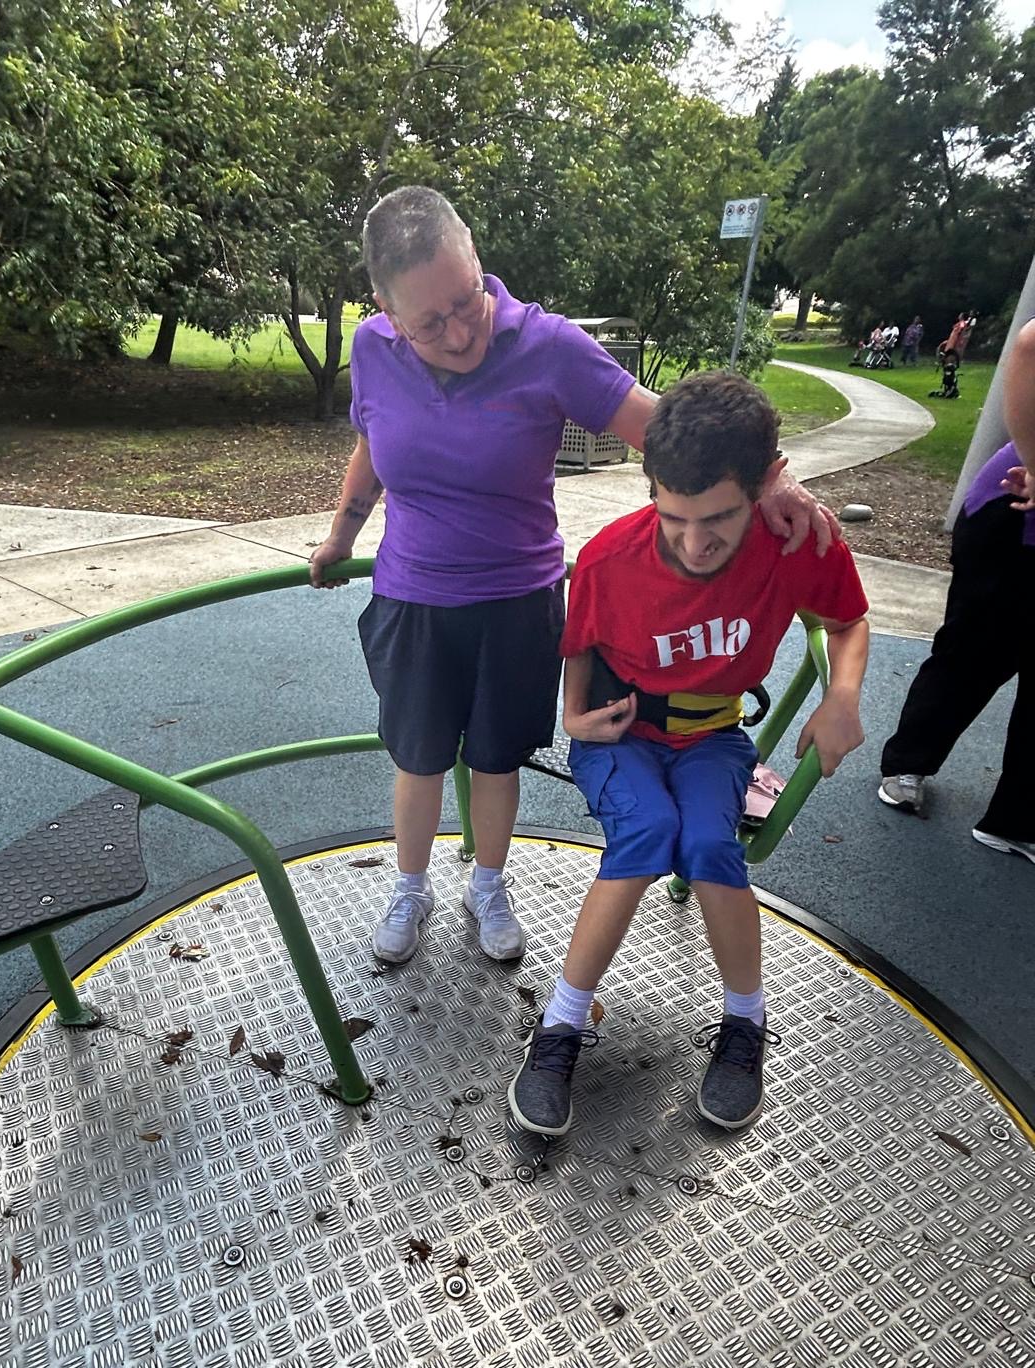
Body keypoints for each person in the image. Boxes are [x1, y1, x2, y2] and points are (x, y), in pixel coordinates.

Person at [308, 187, 840, 966]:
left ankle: (488, 884)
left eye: (465, 302)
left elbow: (665, 430)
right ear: (386, 310)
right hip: (414, 595)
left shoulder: (547, 346)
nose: (459, 333)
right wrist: (340, 534)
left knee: (493, 756)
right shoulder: (373, 352)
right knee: (417, 756)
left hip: (517, 599)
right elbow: (373, 446)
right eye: (430, 322)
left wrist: (770, 479)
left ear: (478, 262)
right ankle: (411, 886)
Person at [508, 372, 869, 1136]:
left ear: (764, 487)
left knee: (708, 841)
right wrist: (575, 717)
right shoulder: (613, 558)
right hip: (625, 732)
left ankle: (745, 1026)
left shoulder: (793, 540)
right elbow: (581, 646)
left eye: (718, 520)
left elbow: (847, 621)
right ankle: (560, 1026)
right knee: (646, 836)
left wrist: (842, 699)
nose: (694, 542)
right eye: (673, 517)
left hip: (713, 734)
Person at [878, 318, 1035, 863]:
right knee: (974, 651)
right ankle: (907, 762)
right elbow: (1030, 342)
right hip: (1015, 518)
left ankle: (1017, 818)